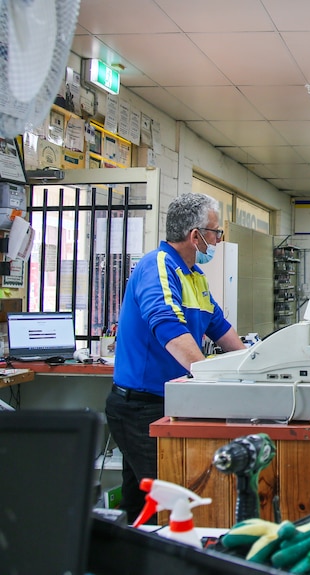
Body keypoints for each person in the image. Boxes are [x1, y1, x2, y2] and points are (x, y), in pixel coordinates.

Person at [105, 192, 246, 522]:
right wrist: (209, 378)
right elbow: (168, 327)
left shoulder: (194, 275)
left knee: (142, 501)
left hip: (170, 401)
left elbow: (219, 327)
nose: (218, 240)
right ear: (196, 236)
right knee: (170, 499)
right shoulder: (158, 265)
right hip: (141, 407)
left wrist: (253, 366)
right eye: (216, 232)